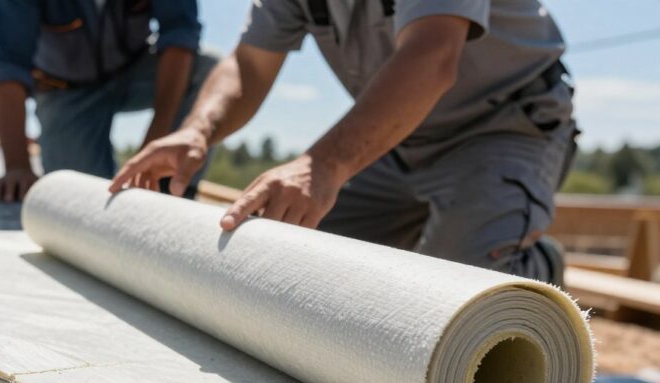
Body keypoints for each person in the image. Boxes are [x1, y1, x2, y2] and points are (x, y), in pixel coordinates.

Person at [112, 0, 576, 284]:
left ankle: (536, 267)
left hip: (502, 126)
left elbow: (433, 55)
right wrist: (197, 130)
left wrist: (324, 166)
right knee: (294, 261)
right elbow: (249, 65)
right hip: (396, 136)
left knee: (465, 291)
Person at [0, 0, 218, 202]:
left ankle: (171, 192)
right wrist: (17, 166)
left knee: (209, 72)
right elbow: (8, 64)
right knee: (80, 200)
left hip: (135, 70)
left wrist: (158, 139)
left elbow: (179, 33)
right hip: (66, 94)